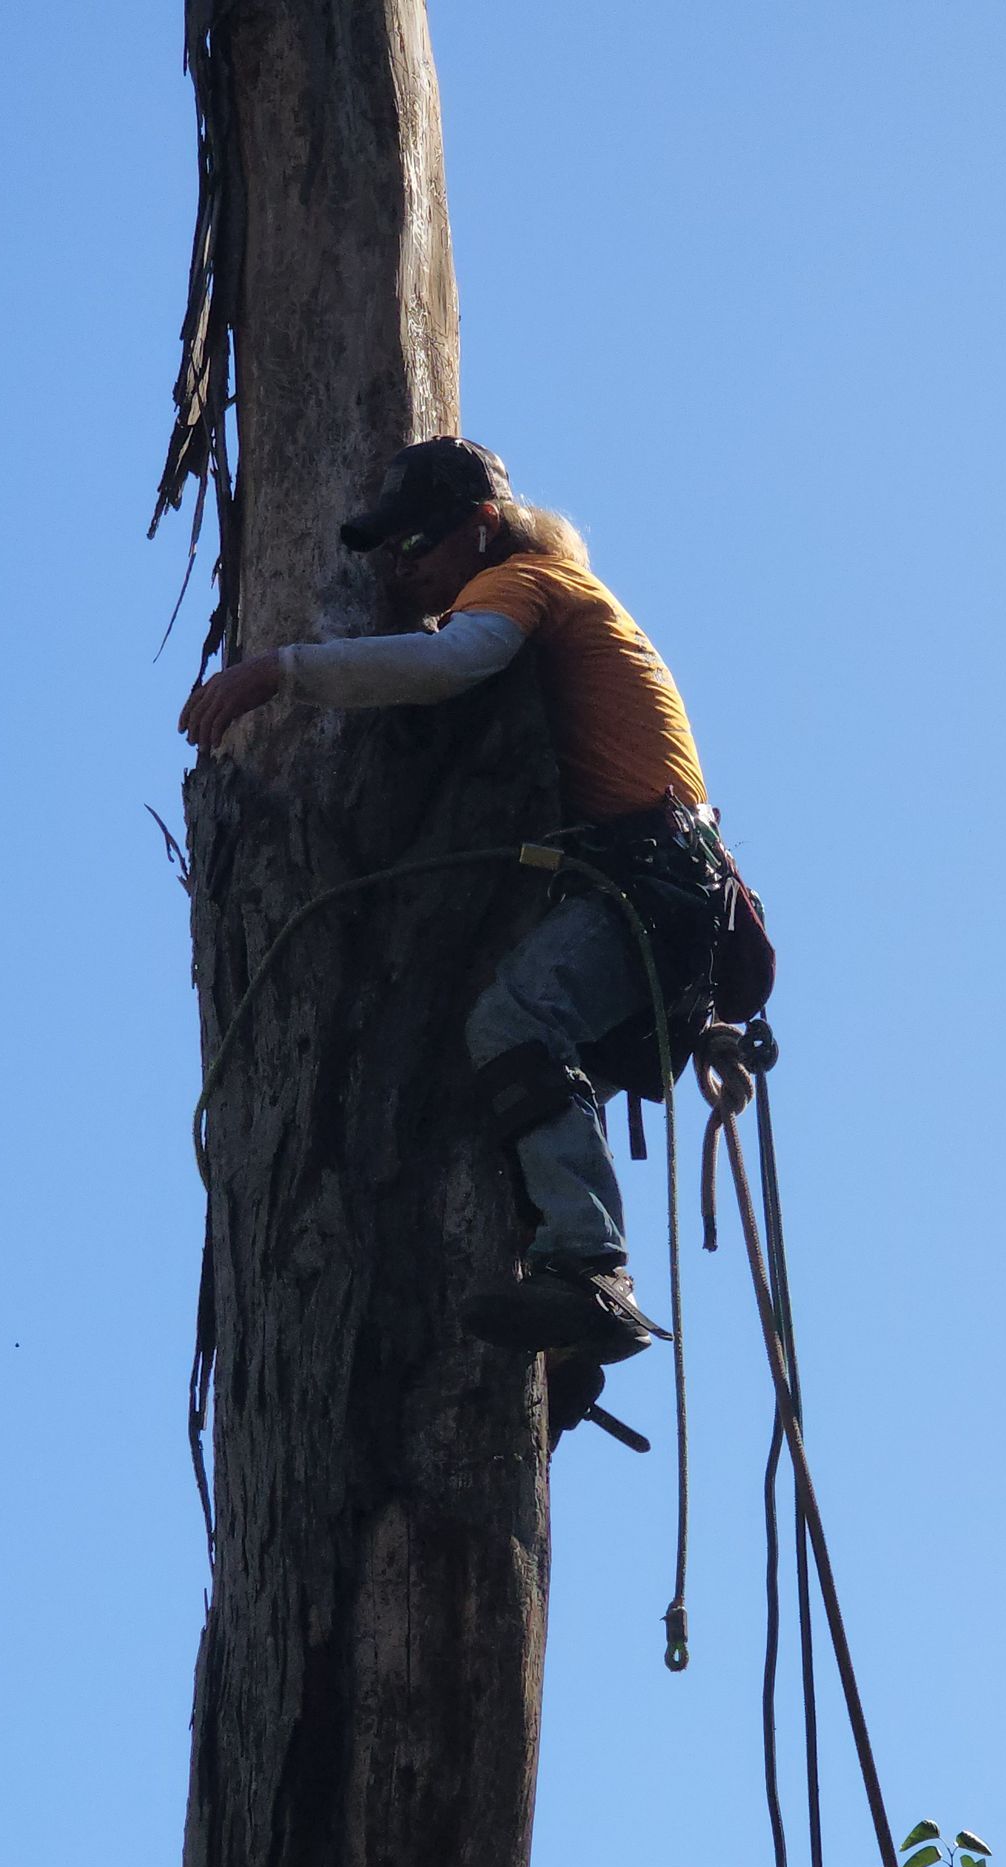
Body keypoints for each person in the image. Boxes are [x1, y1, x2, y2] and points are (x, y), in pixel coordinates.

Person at [179, 437, 723, 1369]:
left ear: (479, 526)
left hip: (653, 883)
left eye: (420, 540)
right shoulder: (536, 593)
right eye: (390, 550)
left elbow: (453, 664)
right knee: (521, 1057)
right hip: (655, 884)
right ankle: (562, 1304)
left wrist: (280, 671)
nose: (404, 565)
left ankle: (592, 1269)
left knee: (515, 1018)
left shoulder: (526, 580)